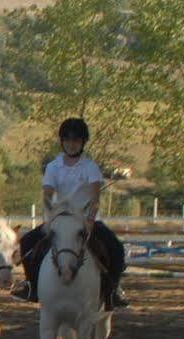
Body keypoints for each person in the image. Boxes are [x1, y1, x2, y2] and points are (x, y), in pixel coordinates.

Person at [15, 117, 127, 310]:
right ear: (62, 142)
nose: (71, 144)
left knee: (117, 249)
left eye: (76, 140)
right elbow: (48, 194)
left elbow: (95, 197)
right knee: (26, 243)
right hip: (60, 220)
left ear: (82, 142)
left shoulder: (90, 167)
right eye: (68, 140)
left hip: (85, 220)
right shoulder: (53, 167)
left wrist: (91, 220)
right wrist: (50, 215)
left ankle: (113, 291)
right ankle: (31, 285)